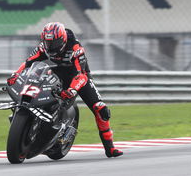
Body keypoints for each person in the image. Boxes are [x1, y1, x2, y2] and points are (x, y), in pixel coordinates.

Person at [7, 22, 123, 158]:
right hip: (56, 72)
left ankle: (110, 148)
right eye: (48, 43)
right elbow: (28, 63)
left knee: (101, 109)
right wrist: (15, 75)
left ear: (63, 40)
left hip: (78, 77)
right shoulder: (43, 47)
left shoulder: (75, 48)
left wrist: (72, 90)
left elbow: (81, 74)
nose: (51, 47)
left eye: (54, 43)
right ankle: (28, 115)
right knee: (35, 81)